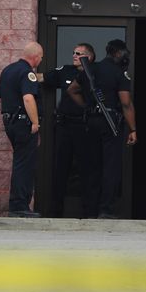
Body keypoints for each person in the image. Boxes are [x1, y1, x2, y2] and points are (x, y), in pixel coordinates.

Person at [67, 39, 137, 219]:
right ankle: (106, 210)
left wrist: (87, 107)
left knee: (92, 167)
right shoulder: (119, 73)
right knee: (110, 167)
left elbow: (72, 90)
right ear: (118, 53)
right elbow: (126, 103)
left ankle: (90, 209)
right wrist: (133, 129)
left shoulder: (91, 69)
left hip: (91, 122)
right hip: (110, 123)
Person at [38, 43, 96, 218]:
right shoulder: (65, 71)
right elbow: (41, 78)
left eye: (79, 53)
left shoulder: (94, 72)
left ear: (89, 57)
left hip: (84, 127)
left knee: (86, 169)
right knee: (60, 169)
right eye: (73, 52)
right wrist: (23, 74)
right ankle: (55, 211)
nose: (74, 55)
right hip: (64, 126)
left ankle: (89, 211)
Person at [0, 42, 44, 218]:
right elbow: (28, 98)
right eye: (41, 57)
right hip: (23, 123)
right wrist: (35, 123)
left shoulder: (8, 70)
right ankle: (19, 206)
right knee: (24, 165)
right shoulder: (27, 72)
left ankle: (17, 204)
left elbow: (0, 94)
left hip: (11, 122)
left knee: (20, 162)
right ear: (35, 56)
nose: (41, 60)